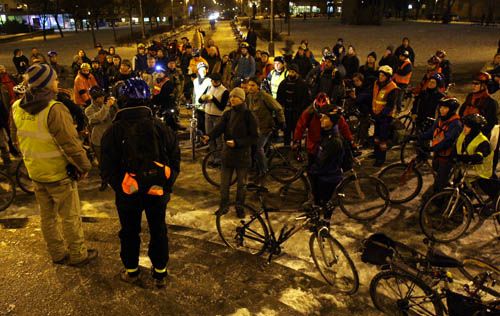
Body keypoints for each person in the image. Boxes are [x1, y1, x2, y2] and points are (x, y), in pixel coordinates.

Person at [11, 63, 96, 266]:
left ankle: (57, 253)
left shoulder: (16, 107)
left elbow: (17, 140)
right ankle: (78, 254)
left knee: (47, 217)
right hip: (58, 174)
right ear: (47, 83)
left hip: (35, 171)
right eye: (55, 79)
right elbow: (71, 144)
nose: (58, 82)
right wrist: (84, 166)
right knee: (70, 217)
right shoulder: (54, 109)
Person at [100, 78, 180, 288]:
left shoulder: (113, 131)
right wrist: (166, 183)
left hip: (129, 195)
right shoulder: (160, 127)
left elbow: (107, 168)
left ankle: (132, 271)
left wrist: (122, 186)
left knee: (129, 232)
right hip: (156, 191)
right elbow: (175, 157)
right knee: (158, 230)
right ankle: (160, 273)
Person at [202, 87, 258, 218]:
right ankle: (224, 205)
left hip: (242, 155)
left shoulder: (249, 115)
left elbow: (254, 137)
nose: (232, 99)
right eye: (231, 97)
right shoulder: (227, 114)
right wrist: (209, 136)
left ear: (242, 99)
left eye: (235, 97)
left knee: (241, 185)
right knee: (224, 184)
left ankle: (240, 207)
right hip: (228, 154)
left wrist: (237, 143)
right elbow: (219, 128)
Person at [293, 93, 354, 165]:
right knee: (314, 166)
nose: (322, 118)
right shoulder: (309, 113)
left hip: (329, 145)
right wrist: (296, 141)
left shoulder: (333, 113)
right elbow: (300, 127)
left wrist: (350, 141)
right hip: (313, 146)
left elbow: (344, 127)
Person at [308, 107, 346, 222]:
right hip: (323, 175)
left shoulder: (334, 140)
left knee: (325, 202)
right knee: (319, 200)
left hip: (328, 177)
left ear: (332, 120)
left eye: (324, 118)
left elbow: (322, 161)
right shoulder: (327, 133)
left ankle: (325, 224)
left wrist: (311, 170)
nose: (321, 120)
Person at [418, 98, 462, 193]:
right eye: (441, 107)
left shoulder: (455, 124)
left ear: (451, 110)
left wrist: (431, 149)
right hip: (438, 153)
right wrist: (417, 137)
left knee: (441, 181)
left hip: (447, 157)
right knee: (437, 174)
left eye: (445, 108)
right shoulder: (440, 119)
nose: (441, 109)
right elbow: (431, 132)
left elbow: (448, 141)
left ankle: (440, 201)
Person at [246, 76, 285, 179]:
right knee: (254, 149)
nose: (250, 87)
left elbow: (278, 108)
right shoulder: (249, 97)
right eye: (249, 85)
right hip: (255, 128)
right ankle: (257, 169)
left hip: (265, 127)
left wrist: (281, 122)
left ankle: (264, 171)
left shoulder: (264, 96)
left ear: (258, 86)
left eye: (253, 85)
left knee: (259, 149)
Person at [454, 114, 495, 195]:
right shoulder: (464, 135)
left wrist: (460, 158)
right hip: (467, 167)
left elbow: (478, 158)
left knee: (463, 188)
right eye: (464, 125)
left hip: (480, 172)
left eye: (468, 127)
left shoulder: (483, 141)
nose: (464, 128)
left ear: (475, 129)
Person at [277, 64, 310, 146]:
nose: (291, 74)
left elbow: (305, 99)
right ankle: (287, 147)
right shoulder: (283, 83)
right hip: (287, 112)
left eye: (293, 72)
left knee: (297, 131)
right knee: (286, 131)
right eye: (290, 72)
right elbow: (280, 97)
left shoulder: (302, 84)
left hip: (297, 112)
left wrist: (301, 110)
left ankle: (296, 147)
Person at [372, 65, 399, 166]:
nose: (380, 77)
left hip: (385, 117)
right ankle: (376, 153)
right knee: (376, 136)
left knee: (382, 138)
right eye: (380, 75)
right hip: (376, 114)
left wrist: (382, 115)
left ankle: (380, 159)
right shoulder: (376, 83)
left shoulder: (392, 87)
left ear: (388, 76)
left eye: (383, 75)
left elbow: (390, 105)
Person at [84, 86, 117, 165]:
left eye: (103, 96)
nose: (103, 98)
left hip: (110, 138)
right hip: (98, 140)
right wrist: (107, 106)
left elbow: (115, 117)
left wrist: (115, 105)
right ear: (94, 99)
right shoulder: (88, 110)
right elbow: (99, 118)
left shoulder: (105, 106)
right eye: (100, 97)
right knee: (103, 163)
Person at [459, 72, 499, 137]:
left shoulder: (490, 102)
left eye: (476, 84)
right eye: (473, 83)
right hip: (465, 131)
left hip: (478, 135)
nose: (473, 86)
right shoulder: (470, 97)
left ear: (484, 85)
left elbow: (490, 125)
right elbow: (461, 113)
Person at [201, 73, 229, 164]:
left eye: (215, 81)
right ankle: (212, 157)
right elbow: (200, 99)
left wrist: (213, 99)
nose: (213, 82)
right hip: (208, 114)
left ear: (220, 81)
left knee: (218, 139)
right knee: (209, 137)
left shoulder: (224, 91)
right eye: (212, 81)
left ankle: (219, 159)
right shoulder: (209, 87)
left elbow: (222, 107)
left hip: (218, 116)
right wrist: (203, 98)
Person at [349, 73, 372, 147]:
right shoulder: (358, 88)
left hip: (367, 110)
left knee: (364, 127)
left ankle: (365, 142)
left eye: (357, 81)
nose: (355, 82)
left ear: (361, 80)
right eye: (354, 81)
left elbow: (360, 99)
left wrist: (355, 97)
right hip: (362, 109)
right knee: (361, 126)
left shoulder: (366, 88)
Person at [192, 62, 212, 134]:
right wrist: (193, 103)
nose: (202, 71)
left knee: (205, 124)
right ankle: (200, 138)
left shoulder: (210, 81)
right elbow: (194, 93)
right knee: (199, 123)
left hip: (206, 106)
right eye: (200, 69)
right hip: (198, 105)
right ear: (198, 71)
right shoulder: (195, 81)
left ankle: (206, 138)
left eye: (204, 69)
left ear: (207, 70)